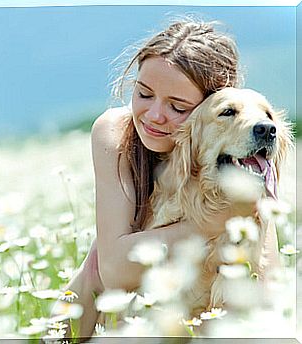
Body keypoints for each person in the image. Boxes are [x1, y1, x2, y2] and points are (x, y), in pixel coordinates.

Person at [57, 18, 280, 339]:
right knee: (96, 258)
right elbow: (114, 270)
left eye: (177, 106)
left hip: (203, 309)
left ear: (208, 111)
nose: (155, 115)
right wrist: (215, 220)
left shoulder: (243, 151)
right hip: (120, 291)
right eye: (144, 94)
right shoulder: (115, 133)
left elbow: (268, 283)